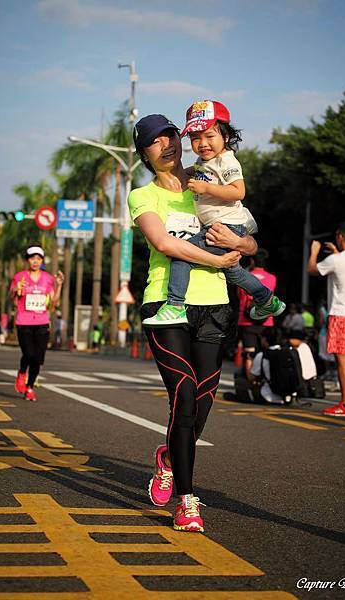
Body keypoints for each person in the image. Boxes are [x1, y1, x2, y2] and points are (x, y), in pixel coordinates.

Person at [129, 113, 257, 533]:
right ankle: (187, 500)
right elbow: (164, 244)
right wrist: (219, 259)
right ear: (144, 152)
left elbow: (251, 239)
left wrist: (238, 244)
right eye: (154, 140)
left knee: (201, 403)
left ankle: (168, 456)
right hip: (167, 304)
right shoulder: (142, 196)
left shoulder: (209, 180)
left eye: (170, 135)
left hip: (215, 304)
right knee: (183, 396)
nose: (166, 144)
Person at [143, 100, 285, 328]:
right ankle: (267, 300)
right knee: (233, 272)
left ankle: (175, 305)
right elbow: (197, 171)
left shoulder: (227, 160)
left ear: (226, 137)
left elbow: (239, 191)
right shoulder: (206, 161)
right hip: (222, 227)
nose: (203, 143)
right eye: (196, 138)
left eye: (210, 136)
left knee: (182, 255)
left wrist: (206, 188)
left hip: (225, 227)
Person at [307, 222, 345, 416]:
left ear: (340, 237)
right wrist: (336, 253)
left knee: (342, 362)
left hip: (340, 314)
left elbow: (312, 269)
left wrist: (314, 251)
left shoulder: (336, 260)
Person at [10, 246, 64, 401]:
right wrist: (16, 289)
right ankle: (22, 372)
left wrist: (59, 285)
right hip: (24, 321)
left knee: (38, 358)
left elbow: (54, 301)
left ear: (41, 261)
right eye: (32, 258)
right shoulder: (20, 277)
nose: (35, 261)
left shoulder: (48, 278)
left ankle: (30, 387)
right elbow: (12, 297)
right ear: (28, 260)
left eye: (38, 258)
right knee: (29, 354)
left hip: (42, 322)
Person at [237, 248, 278, 380]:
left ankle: (251, 383)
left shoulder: (244, 276)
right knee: (266, 352)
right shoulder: (272, 278)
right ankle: (265, 381)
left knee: (249, 353)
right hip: (266, 321)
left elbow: (239, 295)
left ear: (252, 261)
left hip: (247, 320)